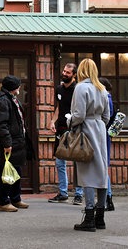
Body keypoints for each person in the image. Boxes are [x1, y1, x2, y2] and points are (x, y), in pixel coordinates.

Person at [68, 59, 110, 232]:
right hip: (100, 129)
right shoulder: (102, 88)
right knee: (101, 173)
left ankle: (90, 217)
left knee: (88, 175)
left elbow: (78, 114)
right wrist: (99, 126)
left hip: (86, 130)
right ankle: (100, 217)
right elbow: (107, 116)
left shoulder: (80, 88)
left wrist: (69, 120)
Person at [0, 75, 30, 212]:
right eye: (18, 85)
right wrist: (7, 143)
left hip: (17, 142)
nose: (20, 88)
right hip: (8, 143)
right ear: (14, 87)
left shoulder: (11, 98)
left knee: (16, 170)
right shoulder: (2, 101)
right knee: (5, 173)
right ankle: (3, 201)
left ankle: (15, 198)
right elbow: (1, 124)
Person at [48, 63, 84, 205]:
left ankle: (78, 194)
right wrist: (52, 121)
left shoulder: (78, 89)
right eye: (64, 71)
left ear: (74, 75)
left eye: (68, 72)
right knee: (59, 161)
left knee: (77, 162)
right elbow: (58, 107)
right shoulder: (59, 88)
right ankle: (63, 193)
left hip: (75, 128)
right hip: (61, 128)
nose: (64, 74)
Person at [99, 77, 115, 211]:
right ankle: (108, 198)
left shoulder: (106, 98)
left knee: (102, 168)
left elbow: (106, 118)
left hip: (103, 135)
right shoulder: (108, 98)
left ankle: (108, 198)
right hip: (105, 135)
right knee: (103, 168)